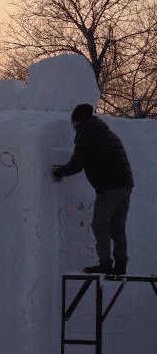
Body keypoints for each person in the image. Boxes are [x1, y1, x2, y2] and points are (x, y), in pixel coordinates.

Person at [52, 103, 134, 275]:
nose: (73, 126)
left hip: (109, 185)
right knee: (117, 226)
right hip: (125, 184)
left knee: (100, 225)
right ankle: (120, 265)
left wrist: (59, 171)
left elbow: (77, 163)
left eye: (73, 122)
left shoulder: (87, 133)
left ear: (79, 121)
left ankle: (105, 263)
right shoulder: (105, 132)